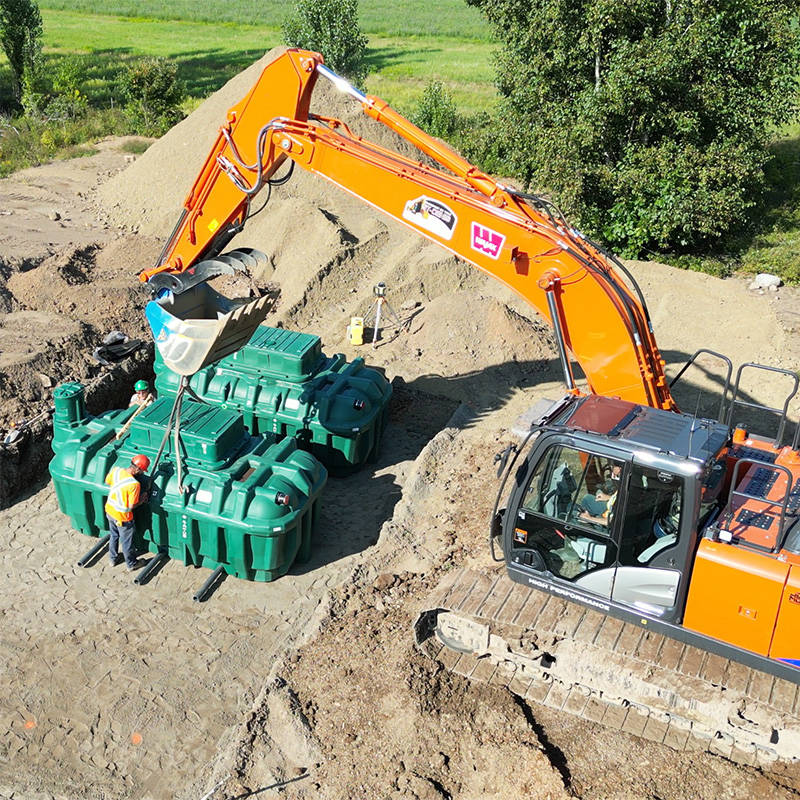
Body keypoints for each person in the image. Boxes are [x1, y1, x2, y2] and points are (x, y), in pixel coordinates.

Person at [105, 454, 150, 571]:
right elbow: (131, 506)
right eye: (142, 471)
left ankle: (113, 559)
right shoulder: (134, 485)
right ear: (137, 469)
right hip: (123, 518)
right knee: (127, 542)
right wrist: (141, 500)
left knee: (114, 535)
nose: (142, 473)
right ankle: (131, 564)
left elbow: (108, 481)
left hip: (110, 511)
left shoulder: (116, 471)